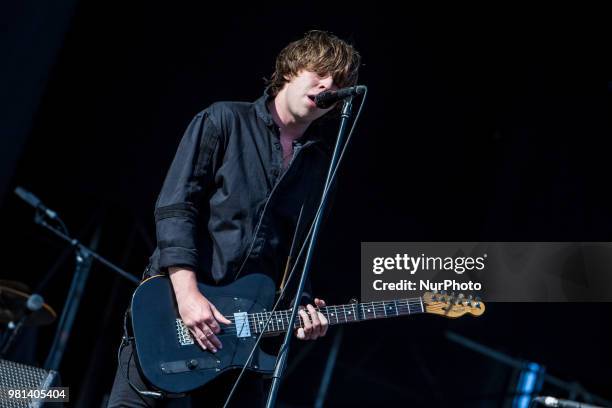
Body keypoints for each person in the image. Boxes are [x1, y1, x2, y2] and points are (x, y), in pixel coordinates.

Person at [108, 30, 361, 407]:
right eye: (320, 73)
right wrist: (188, 294)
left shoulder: (322, 166)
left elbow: (299, 252)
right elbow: (176, 207)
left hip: (242, 343)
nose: (329, 86)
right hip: (173, 310)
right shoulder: (224, 119)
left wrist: (303, 309)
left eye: (339, 82)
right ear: (291, 70)